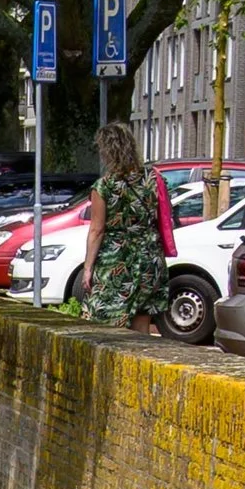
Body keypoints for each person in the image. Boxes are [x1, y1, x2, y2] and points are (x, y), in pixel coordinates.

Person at [80, 120, 165, 332]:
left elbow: (97, 230)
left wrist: (88, 268)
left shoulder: (104, 186)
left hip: (118, 260)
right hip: (149, 256)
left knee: (104, 322)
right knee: (141, 321)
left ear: (108, 151)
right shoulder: (153, 178)